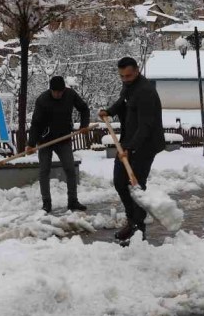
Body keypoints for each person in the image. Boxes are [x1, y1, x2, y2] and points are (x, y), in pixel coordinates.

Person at [98, 57, 165, 244]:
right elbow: (123, 101)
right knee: (120, 181)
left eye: (128, 76)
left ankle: (138, 229)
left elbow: (146, 126)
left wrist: (130, 148)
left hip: (145, 144)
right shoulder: (129, 86)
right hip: (129, 141)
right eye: (122, 76)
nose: (125, 79)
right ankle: (131, 221)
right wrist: (109, 111)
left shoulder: (146, 92)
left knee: (136, 187)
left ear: (137, 71)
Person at [28, 76, 91, 213]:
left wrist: (84, 125)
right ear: (50, 90)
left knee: (70, 169)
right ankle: (46, 203)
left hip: (63, 138)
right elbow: (36, 123)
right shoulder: (42, 100)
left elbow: (84, 109)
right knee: (44, 170)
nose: (58, 94)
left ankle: (73, 201)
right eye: (55, 92)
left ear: (64, 90)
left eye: (60, 92)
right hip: (45, 140)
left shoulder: (70, 95)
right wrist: (31, 144)